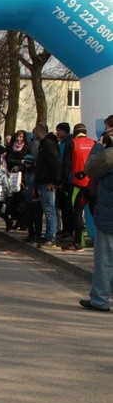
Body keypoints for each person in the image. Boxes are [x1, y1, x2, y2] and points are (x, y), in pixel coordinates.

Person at [79, 115, 113, 312]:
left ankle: (100, 299)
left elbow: (90, 168)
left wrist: (99, 146)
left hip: (109, 215)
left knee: (105, 260)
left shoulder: (109, 154)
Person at [61, 123, 96, 251]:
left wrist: (63, 183)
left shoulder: (72, 144)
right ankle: (100, 241)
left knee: (77, 212)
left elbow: (66, 166)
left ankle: (78, 242)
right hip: (93, 185)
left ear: (75, 132)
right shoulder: (94, 143)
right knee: (95, 212)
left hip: (78, 185)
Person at [33, 122, 62, 248]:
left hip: (47, 183)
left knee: (50, 209)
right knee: (49, 209)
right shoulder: (45, 144)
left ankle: (51, 237)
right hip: (43, 181)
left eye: (35, 131)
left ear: (39, 130)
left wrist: (54, 182)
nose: (34, 133)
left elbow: (56, 164)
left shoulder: (48, 144)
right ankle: (49, 235)